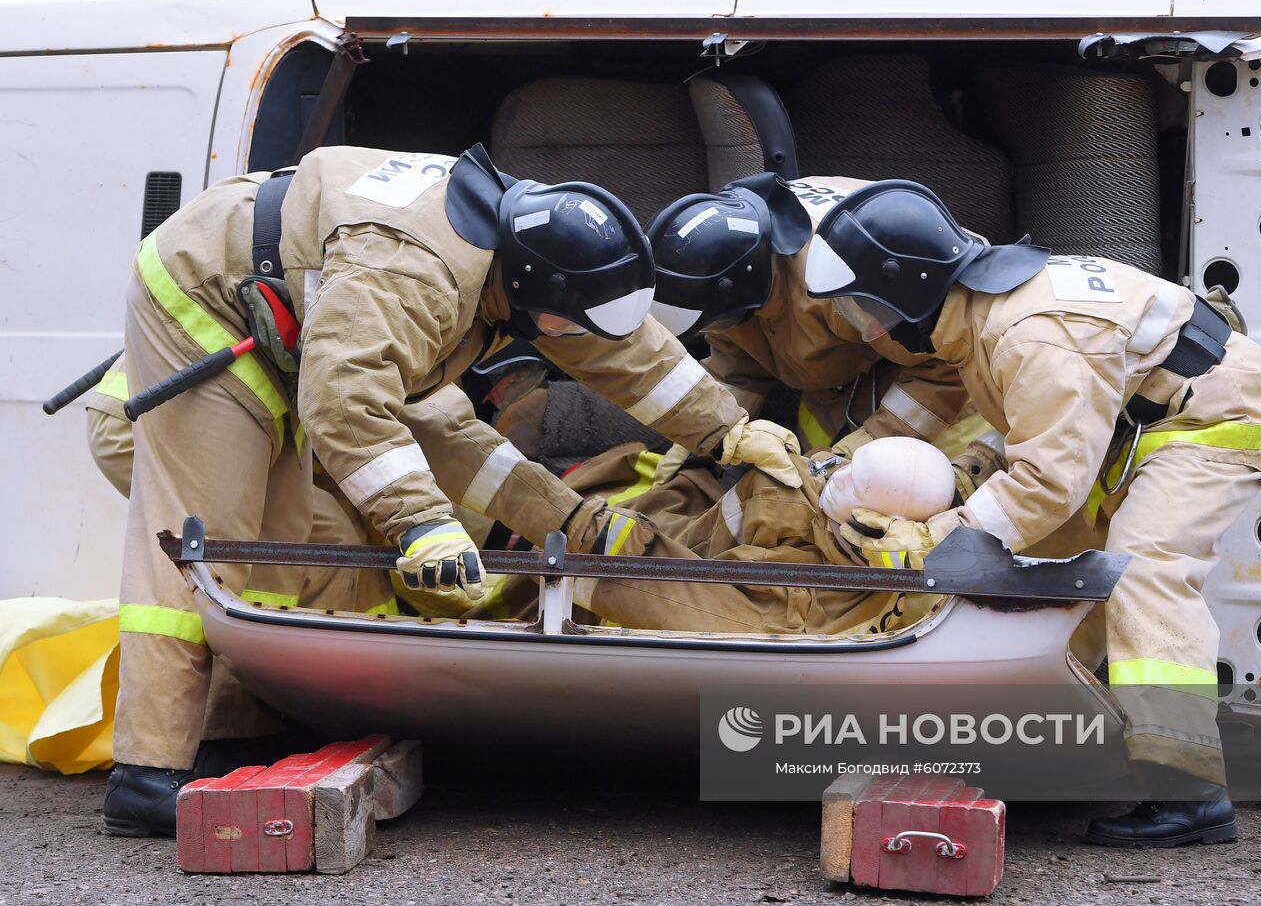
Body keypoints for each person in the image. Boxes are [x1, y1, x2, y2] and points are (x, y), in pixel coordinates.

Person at [104, 144, 803, 837]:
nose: (570, 338)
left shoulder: (526, 253)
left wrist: (728, 430)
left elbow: (621, 351)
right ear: (534, 292)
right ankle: (146, 773)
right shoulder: (413, 273)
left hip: (304, 331)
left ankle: (232, 736)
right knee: (206, 533)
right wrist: (420, 522)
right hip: (208, 302)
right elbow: (346, 398)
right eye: (564, 321)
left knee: (284, 540)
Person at [798, 179, 1261, 847]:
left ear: (904, 290)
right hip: (1139, 422)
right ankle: (1066, 735)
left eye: (864, 310)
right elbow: (1034, 421)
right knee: (1053, 563)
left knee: (1144, 568)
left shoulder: (1028, 330)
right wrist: (973, 473)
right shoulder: (979, 314)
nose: (867, 328)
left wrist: (938, 539)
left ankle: (1189, 790)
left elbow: (1049, 481)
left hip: (1213, 417)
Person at [647, 174, 976, 462]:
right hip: (842, 381)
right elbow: (737, 366)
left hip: (955, 387)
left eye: (719, 320)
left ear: (743, 286)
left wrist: (864, 452)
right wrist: (699, 445)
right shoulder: (735, 251)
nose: (718, 330)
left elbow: (945, 363)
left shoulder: (839, 286)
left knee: (902, 491)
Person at [550, 435, 960, 636]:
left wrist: (585, 538)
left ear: (878, 520)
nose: (840, 474)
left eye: (859, 483)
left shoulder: (801, 593)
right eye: (850, 464)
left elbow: (668, 595)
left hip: (609, 552)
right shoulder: (796, 481)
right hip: (667, 520)